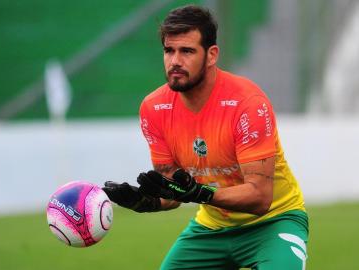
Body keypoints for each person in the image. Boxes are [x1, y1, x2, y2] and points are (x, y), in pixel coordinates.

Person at [103, 5, 308, 270]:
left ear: (211, 55)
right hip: (211, 229)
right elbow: (174, 192)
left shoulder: (247, 104)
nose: (175, 60)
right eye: (169, 50)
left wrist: (199, 193)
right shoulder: (154, 108)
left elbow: (260, 198)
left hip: (273, 221)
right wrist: (145, 201)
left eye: (186, 51)